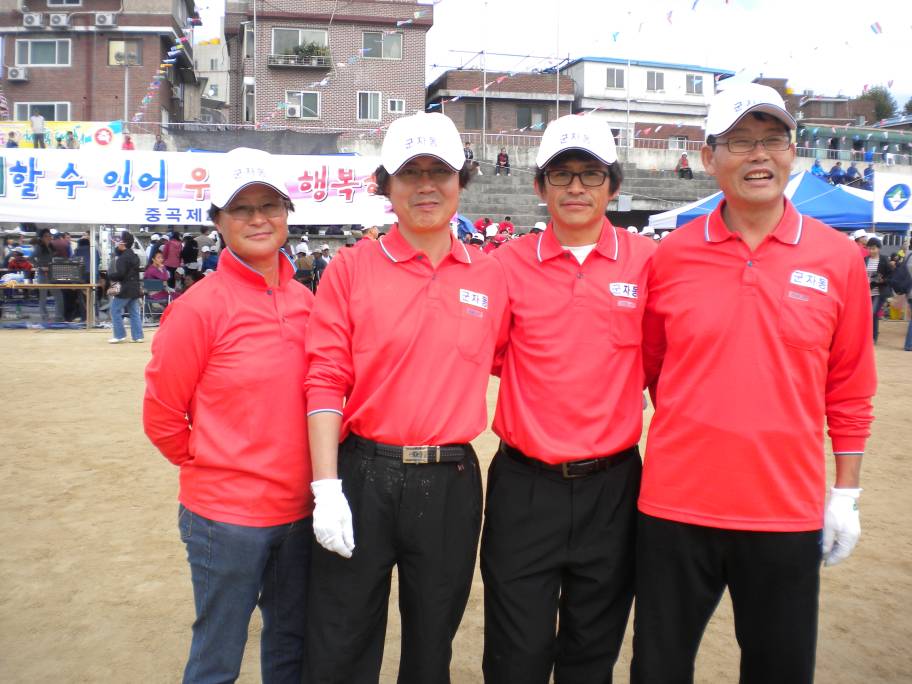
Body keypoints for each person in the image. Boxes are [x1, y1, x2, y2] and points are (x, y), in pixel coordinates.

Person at [631, 82, 876, 684]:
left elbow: (848, 388)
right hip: (675, 507)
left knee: (779, 669)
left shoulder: (838, 259)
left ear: (794, 152)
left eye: (773, 139)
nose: (758, 154)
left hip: (784, 513)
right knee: (658, 667)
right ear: (709, 155)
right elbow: (655, 368)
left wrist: (845, 494)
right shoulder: (670, 258)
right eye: (740, 141)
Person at [305, 112, 508, 684]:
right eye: (408, 173)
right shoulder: (349, 268)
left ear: (462, 181)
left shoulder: (491, 276)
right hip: (362, 475)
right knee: (341, 639)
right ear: (384, 185)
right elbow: (324, 379)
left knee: (430, 646)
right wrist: (326, 489)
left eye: (439, 171)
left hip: (450, 480)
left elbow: (516, 360)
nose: (425, 186)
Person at [481, 114, 652, 684]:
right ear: (539, 186)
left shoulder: (649, 264)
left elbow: (661, 361)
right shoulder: (504, 267)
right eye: (561, 175)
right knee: (515, 654)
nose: (576, 187)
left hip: (614, 488)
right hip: (526, 487)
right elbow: (494, 355)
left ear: (614, 185)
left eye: (591, 174)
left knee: (591, 652)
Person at [143, 147, 315, 684]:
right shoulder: (197, 308)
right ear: (217, 221)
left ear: (287, 214)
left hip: (300, 513)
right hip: (226, 519)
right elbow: (162, 414)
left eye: (270, 205)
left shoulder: (307, 302)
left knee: (291, 642)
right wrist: (214, 464)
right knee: (219, 651)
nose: (259, 219)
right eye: (242, 209)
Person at [107, 232, 144, 343]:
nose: (117, 243)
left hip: (125, 288)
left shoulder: (122, 258)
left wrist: (109, 275)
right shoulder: (134, 256)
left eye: (119, 241)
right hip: (134, 287)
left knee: (114, 310)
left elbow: (121, 274)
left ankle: (119, 335)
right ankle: (138, 336)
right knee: (134, 312)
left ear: (123, 243)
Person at [30, 228, 63, 322]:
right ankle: (44, 317)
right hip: (42, 274)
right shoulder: (39, 247)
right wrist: (39, 267)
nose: (49, 237)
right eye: (46, 236)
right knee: (43, 297)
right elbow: (30, 258)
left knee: (58, 295)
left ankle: (58, 317)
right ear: (42, 238)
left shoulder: (51, 246)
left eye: (49, 236)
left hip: (52, 274)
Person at [865, 236, 891, 344]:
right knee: (868, 314)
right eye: (870, 248)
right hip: (867, 291)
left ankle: (873, 337)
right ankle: (869, 336)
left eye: (874, 248)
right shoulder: (865, 260)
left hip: (879, 291)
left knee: (873, 313)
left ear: (879, 248)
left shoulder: (884, 259)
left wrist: (882, 279)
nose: (872, 250)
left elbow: (890, 275)